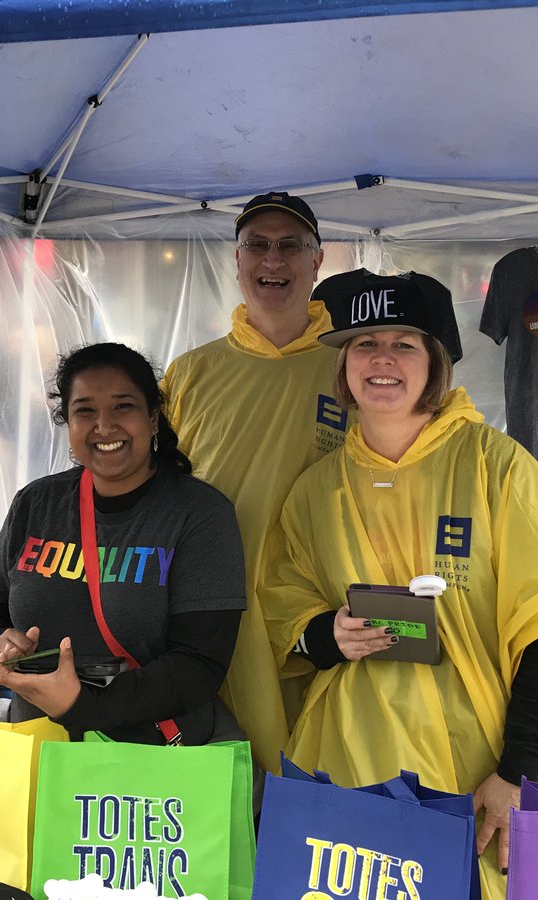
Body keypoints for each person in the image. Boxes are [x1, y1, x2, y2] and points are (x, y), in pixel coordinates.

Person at [260, 273, 538, 897]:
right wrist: (324, 635)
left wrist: (519, 771)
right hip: (355, 748)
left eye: (405, 344)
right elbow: (286, 602)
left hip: (483, 749)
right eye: (364, 344)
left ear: (436, 363)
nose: (381, 359)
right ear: (343, 366)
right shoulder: (315, 490)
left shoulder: (497, 467)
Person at [0, 342, 246, 745]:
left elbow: (198, 666)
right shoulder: (36, 503)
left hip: (150, 758)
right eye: (85, 411)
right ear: (68, 422)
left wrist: (81, 706)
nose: (104, 426)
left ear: (152, 417)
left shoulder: (200, 514)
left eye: (123, 406)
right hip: (38, 742)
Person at [163, 191, 347, 772]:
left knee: (308, 768)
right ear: (237, 260)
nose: (274, 261)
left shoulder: (352, 367)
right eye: (257, 246)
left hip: (312, 613)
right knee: (218, 769)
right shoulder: (191, 372)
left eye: (290, 246)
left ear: (317, 260)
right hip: (208, 611)